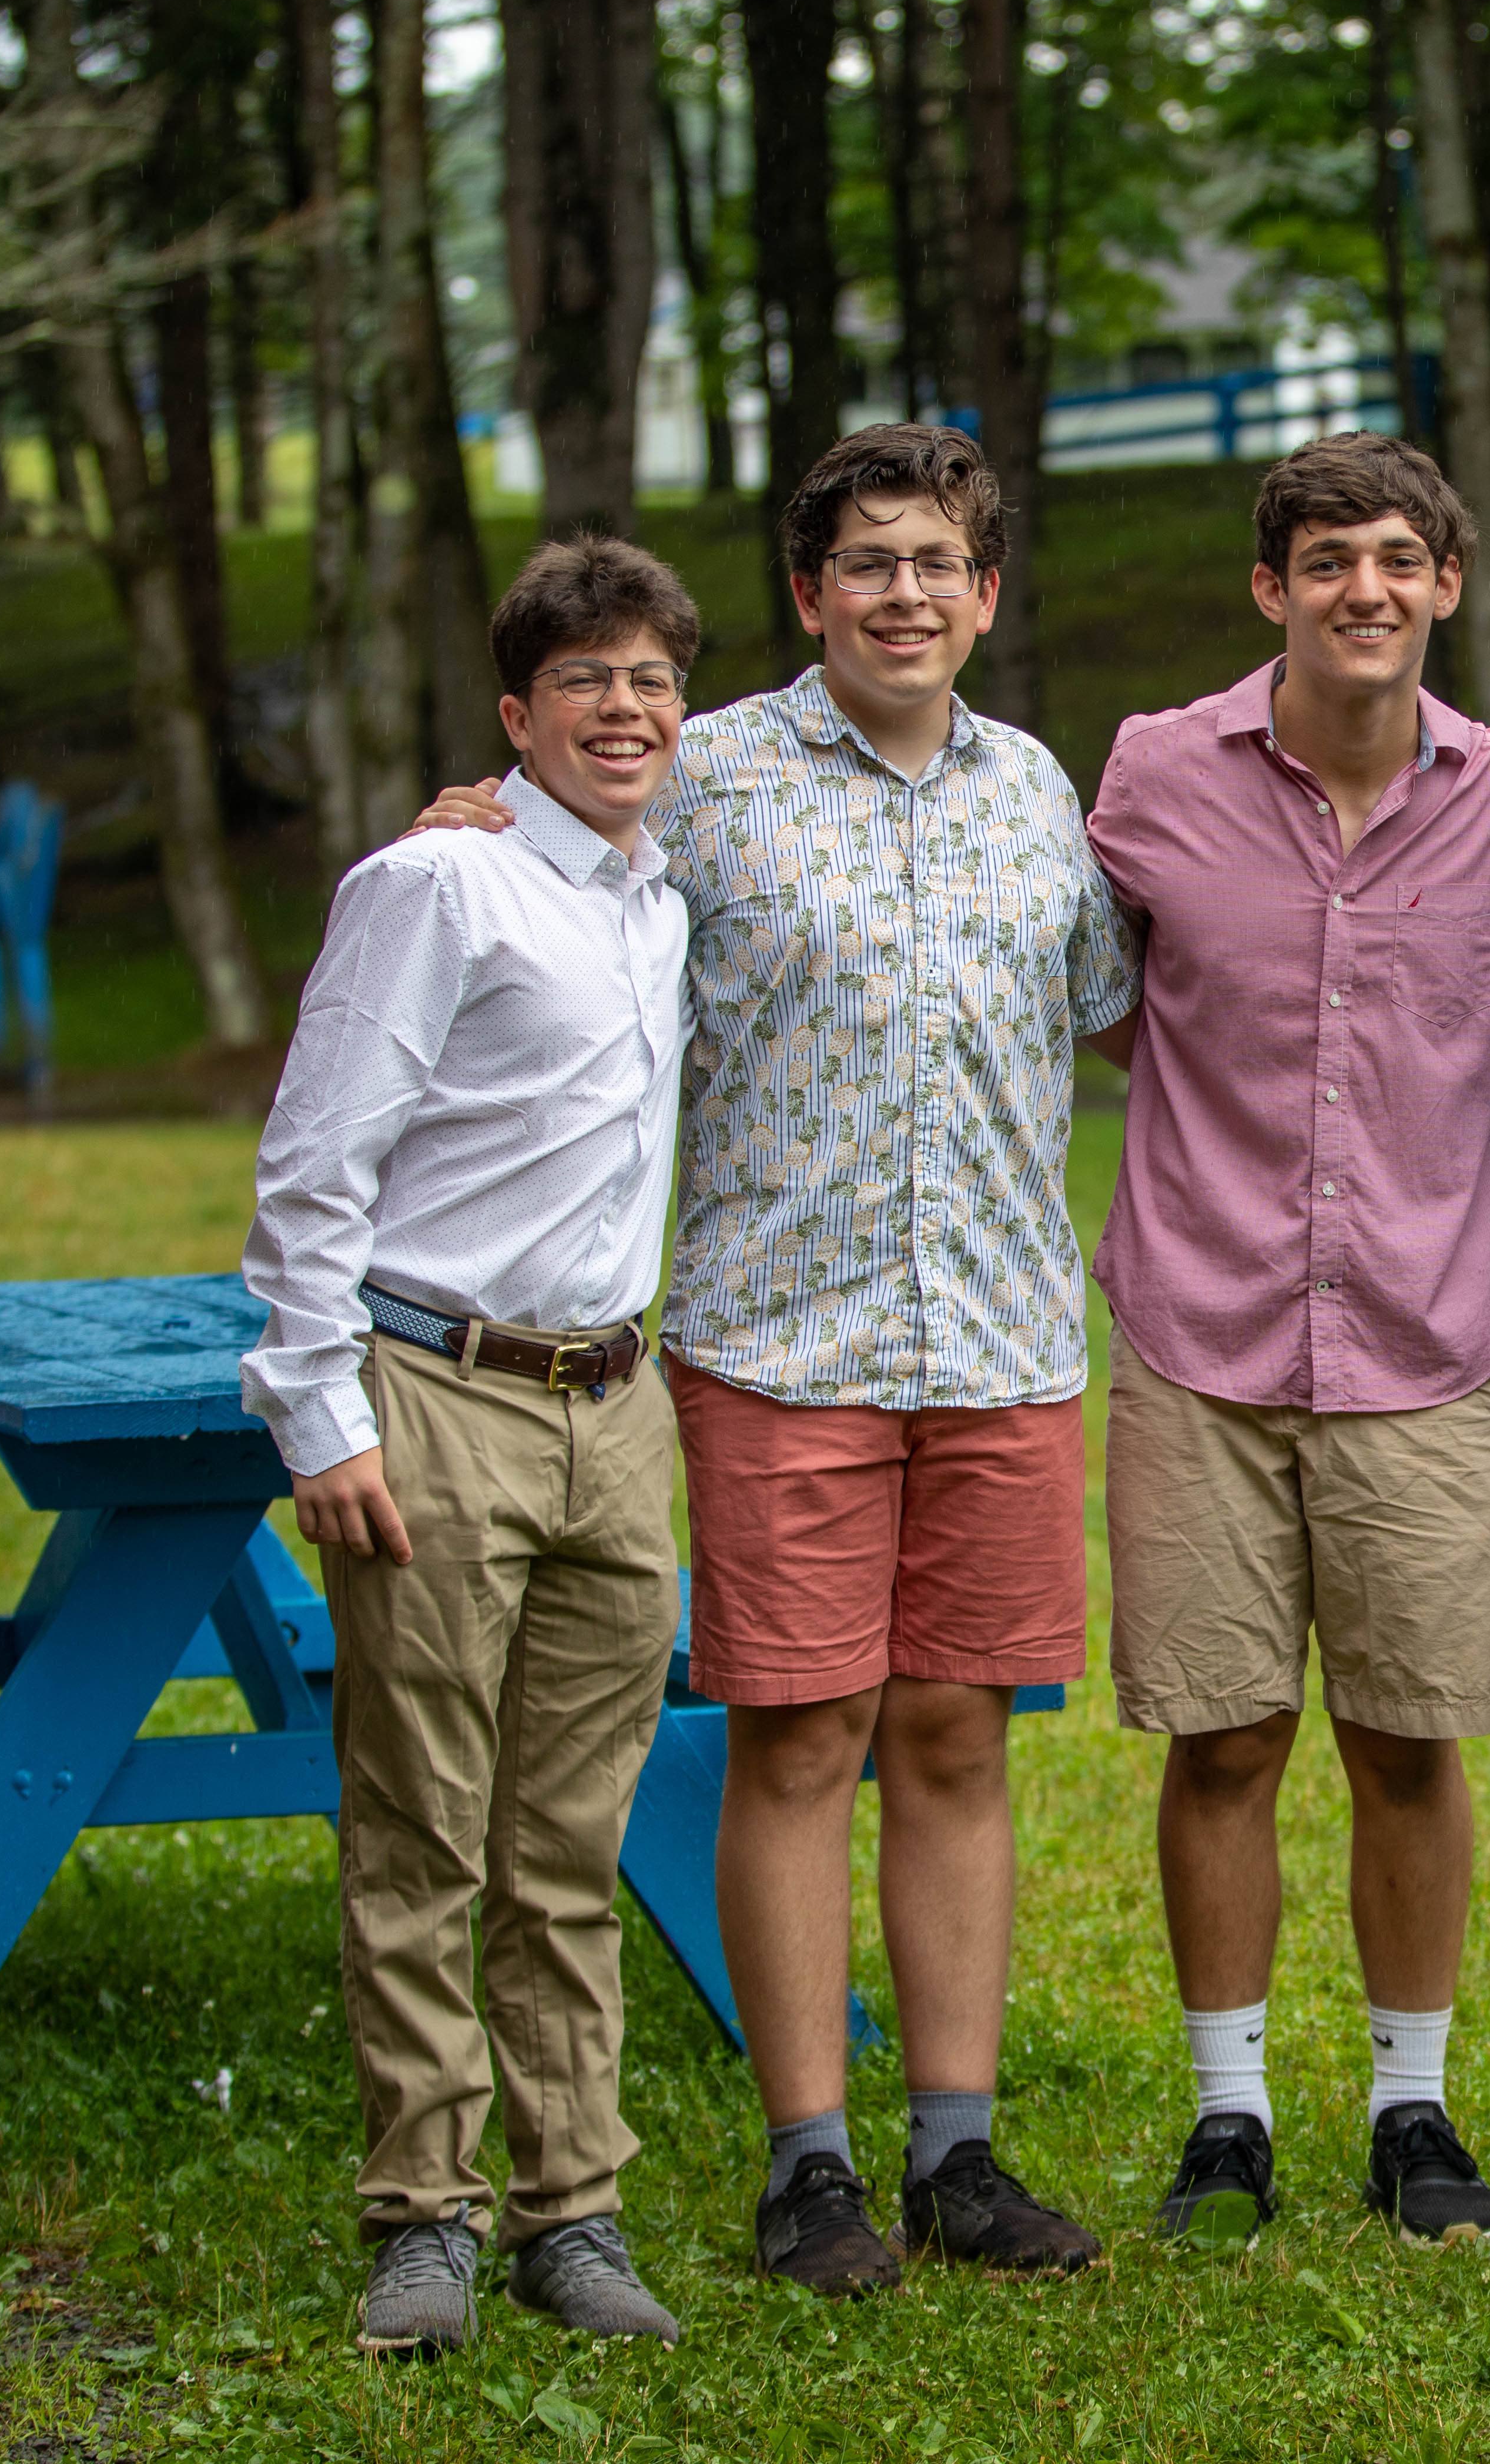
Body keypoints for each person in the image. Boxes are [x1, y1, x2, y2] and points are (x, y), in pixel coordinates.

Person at [412, 424, 1139, 2298]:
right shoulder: (710, 779)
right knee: (803, 1735)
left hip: (996, 1335)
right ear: (811, 595)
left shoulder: (1036, 789)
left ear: (988, 596)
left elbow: (1109, 1009)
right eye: (868, 562)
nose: (907, 592)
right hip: (777, 1340)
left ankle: (957, 2157)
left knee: (960, 1736)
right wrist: (464, 810)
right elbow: (552, 866)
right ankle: (807, 2168)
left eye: (942, 562)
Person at [1079, 434, 1490, 2250]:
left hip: (1423, 1346)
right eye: (1330, 559)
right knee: (1222, 1741)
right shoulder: (1151, 776)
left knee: (1412, 1744)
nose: (1370, 590)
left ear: (1448, 584)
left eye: (1402, 560)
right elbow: (1089, 985)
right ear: (1272, 589)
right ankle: (1229, 2118)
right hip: (1201, 1333)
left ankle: (1413, 2111)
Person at [242, 536, 703, 2359]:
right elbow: (313, 1158)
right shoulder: (436, 885)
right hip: (434, 1395)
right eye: (584, 682)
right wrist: (318, 1405)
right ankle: (419, 2213)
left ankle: (570, 2211)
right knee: (424, 1822)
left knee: (569, 1838)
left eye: (653, 680)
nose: (625, 708)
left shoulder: (665, 895)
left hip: (615, 1409)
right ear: (517, 716)